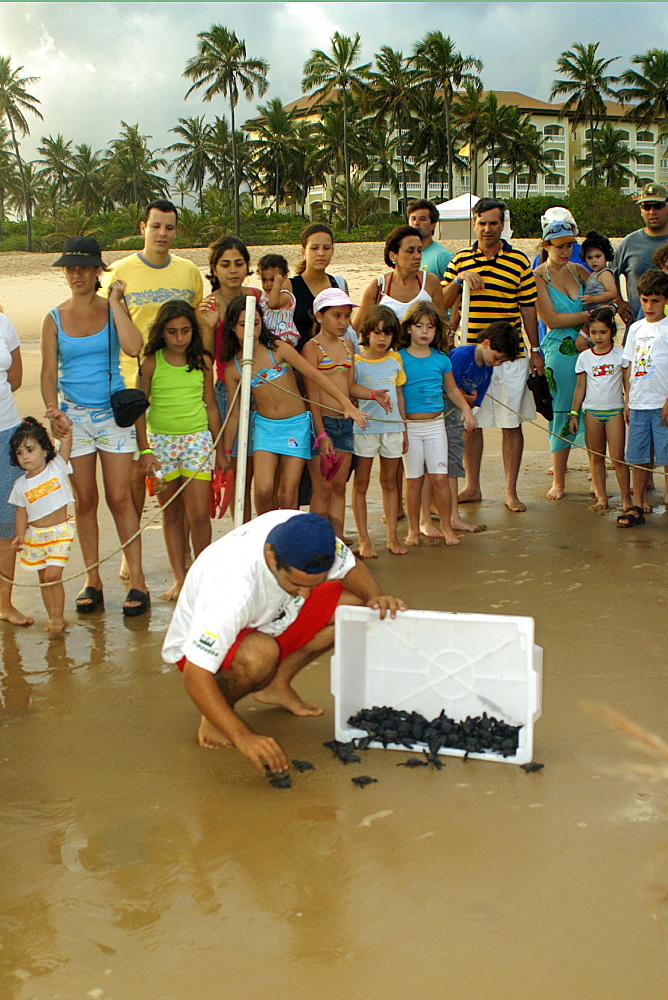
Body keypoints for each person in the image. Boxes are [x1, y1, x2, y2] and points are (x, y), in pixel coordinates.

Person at [162, 509, 406, 773]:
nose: (305, 593)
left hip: (271, 618)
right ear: (271, 555)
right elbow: (194, 674)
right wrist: (241, 735)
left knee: (358, 608)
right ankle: (215, 717)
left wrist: (377, 597)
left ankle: (275, 683)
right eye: (295, 583)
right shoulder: (231, 589)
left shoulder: (311, 534)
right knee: (260, 654)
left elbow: (352, 568)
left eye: (314, 584)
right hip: (199, 649)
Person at [40, 237, 149, 616]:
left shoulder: (111, 309)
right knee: (85, 501)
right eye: (70, 268)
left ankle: (137, 580)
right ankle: (92, 580)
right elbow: (48, 372)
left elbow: (134, 348)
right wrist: (53, 411)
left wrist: (117, 302)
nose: (76, 274)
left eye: (84, 267)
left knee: (119, 498)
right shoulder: (54, 318)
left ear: (98, 270)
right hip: (74, 418)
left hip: (112, 414)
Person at [101, 200, 204, 576]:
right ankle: (132, 554)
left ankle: (190, 567)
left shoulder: (188, 271)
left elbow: (196, 322)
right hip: (132, 385)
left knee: (184, 496)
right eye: (156, 226)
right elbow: (107, 323)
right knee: (132, 478)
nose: (162, 234)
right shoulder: (119, 272)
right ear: (142, 226)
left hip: (177, 385)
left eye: (170, 227)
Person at [221, 294, 369, 516]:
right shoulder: (234, 368)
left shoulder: (278, 348)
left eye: (256, 323)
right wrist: (225, 450)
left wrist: (345, 403)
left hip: (296, 425)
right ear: (232, 327)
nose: (251, 329)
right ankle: (267, 535)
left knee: (289, 494)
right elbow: (234, 415)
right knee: (263, 490)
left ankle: (288, 541)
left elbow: (316, 375)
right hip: (264, 427)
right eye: (244, 324)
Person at [443, 198, 543, 513]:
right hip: (472, 355)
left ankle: (510, 491)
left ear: (503, 225)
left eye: (494, 223)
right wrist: (460, 281)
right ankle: (472, 486)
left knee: (511, 423)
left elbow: (529, 307)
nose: (488, 229)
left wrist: (536, 349)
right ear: (474, 224)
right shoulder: (460, 259)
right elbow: (443, 301)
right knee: (472, 422)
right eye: (482, 223)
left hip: (511, 357)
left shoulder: (519, 262)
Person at [135, 301, 223, 601]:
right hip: (161, 444)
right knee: (171, 514)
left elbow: (211, 403)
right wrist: (144, 451)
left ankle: (203, 573)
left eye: (185, 331)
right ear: (163, 332)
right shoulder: (150, 363)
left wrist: (219, 448)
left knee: (199, 513)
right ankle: (180, 579)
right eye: (172, 332)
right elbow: (139, 409)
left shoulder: (202, 361)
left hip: (197, 441)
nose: (179, 338)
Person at [303, 289, 389, 539]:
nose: (343, 322)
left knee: (339, 486)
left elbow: (350, 386)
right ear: (319, 316)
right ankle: (320, 543)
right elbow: (312, 396)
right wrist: (320, 433)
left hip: (344, 422)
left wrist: (374, 395)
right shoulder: (312, 348)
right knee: (322, 487)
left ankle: (338, 541)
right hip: (324, 424)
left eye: (347, 316)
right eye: (336, 315)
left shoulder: (348, 344)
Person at [399, 302, 477, 547]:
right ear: (409, 328)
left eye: (430, 327)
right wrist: (400, 427)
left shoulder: (441, 359)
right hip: (410, 426)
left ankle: (446, 526)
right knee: (414, 479)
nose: (424, 331)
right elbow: (396, 391)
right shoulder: (399, 358)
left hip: (435, 426)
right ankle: (414, 528)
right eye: (419, 326)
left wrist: (466, 410)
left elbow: (452, 389)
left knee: (440, 478)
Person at [197, 236, 260, 519]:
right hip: (228, 391)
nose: (233, 270)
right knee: (238, 471)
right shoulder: (208, 306)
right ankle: (242, 532)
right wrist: (210, 327)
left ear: (247, 266)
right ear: (214, 269)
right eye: (225, 265)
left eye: (239, 263)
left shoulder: (257, 297)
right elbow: (206, 358)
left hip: (263, 388)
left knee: (264, 471)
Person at [534, 220, 593, 499]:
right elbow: (551, 319)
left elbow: (605, 301)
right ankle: (559, 479)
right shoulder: (538, 276)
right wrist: (587, 318)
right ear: (546, 245)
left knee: (594, 409)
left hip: (590, 345)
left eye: (570, 245)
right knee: (561, 411)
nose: (567, 251)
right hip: (558, 351)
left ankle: (597, 474)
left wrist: (588, 329)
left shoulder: (579, 270)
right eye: (560, 246)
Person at [448, 321, 520, 531]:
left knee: (452, 461)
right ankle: (442, 508)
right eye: (497, 357)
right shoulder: (461, 355)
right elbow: (446, 385)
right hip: (443, 413)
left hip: (457, 413)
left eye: (502, 361)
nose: (497, 363)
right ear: (486, 343)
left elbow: (475, 398)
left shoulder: (488, 369)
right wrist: (465, 401)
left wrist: (466, 401)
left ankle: (448, 510)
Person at [9, 416, 74, 633]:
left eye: (30, 449)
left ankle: (58, 617)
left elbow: (66, 443)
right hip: (35, 536)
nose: (25, 456)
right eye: (20, 452)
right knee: (43, 579)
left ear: (45, 450)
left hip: (59, 533)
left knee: (52, 575)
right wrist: (20, 535)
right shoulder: (20, 485)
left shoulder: (57, 467)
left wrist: (64, 426)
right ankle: (54, 617)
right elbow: (21, 512)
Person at [351, 306, 408, 557]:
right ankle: (364, 540)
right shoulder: (356, 361)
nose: (382, 339)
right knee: (361, 483)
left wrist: (403, 426)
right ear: (367, 333)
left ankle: (392, 537)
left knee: (390, 482)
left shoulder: (395, 359)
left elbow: (399, 394)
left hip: (393, 428)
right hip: (365, 429)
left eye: (387, 334)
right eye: (377, 333)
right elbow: (350, 390)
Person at [568, 307, 631, 513]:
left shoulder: (621, 355)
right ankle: (602, 496)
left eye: (603, 332)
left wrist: (628, 405)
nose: (598, 337)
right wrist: (574, 413)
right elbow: (580, 388)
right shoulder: (585, 357)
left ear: (612, 331)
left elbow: (626, 382)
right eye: (593, 332)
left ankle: (625, 499)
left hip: (614, 411)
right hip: (591, 412)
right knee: (596, 457)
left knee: (617, 457)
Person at [618, 269, 668, 525]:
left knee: (666, 457)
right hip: (638, 402)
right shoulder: (636, 328)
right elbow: (628, 365)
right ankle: (637, 503)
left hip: (662, 404)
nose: (649, 306)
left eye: (656, 300)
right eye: (645, 300)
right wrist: (627, 401)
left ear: (665, 300)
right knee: (637, 457)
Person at [0, 310, 34, 626]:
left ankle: (4, 604)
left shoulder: (4, 322)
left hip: (5, 430)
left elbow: (17, 379)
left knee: (7, 521)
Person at [353, 225, 446, 332]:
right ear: (393, 256)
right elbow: (356, 328)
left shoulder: (430, 282)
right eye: (410, 251)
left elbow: (441, 324)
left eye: (419, 250)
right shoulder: (378, 287)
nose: (417, 256)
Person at [287, 223, 353, 349]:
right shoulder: (291, 286)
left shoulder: (339, 284)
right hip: (298, 363)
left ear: (332, 251)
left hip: (334, 362)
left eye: (326, 248)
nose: (321, 253)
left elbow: (347, 324)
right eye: (314, 248)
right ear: (303, 252)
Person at [613, 182, 668, 326]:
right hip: (638, 327)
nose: (652, 211)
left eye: (658, 205)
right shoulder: (628, 243)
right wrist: (619, 302)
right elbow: (609, 274)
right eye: (646, 206)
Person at [257, 253, 300, 347]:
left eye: (273, 280)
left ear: (284, 277)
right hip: (268, 335)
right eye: (264, 280)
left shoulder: (285, 296)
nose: (268, 284)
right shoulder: (263, 296)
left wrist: (277, 284)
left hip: (283, 335)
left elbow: (273, 304)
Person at [407, 199, 453, 278]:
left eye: (422, 219)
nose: (416, 223)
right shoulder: (403, 254)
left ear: (433, 225)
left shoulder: (443, 257)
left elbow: (455, 288)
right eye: (413, 219)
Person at [580, 231, 622, 310]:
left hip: (602, 312)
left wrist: (592, 299)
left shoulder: (605, 273)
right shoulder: (593, 274)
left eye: (598, 256)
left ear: (606, 256)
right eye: (589, 257)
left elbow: (612, 293)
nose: (593, 261)